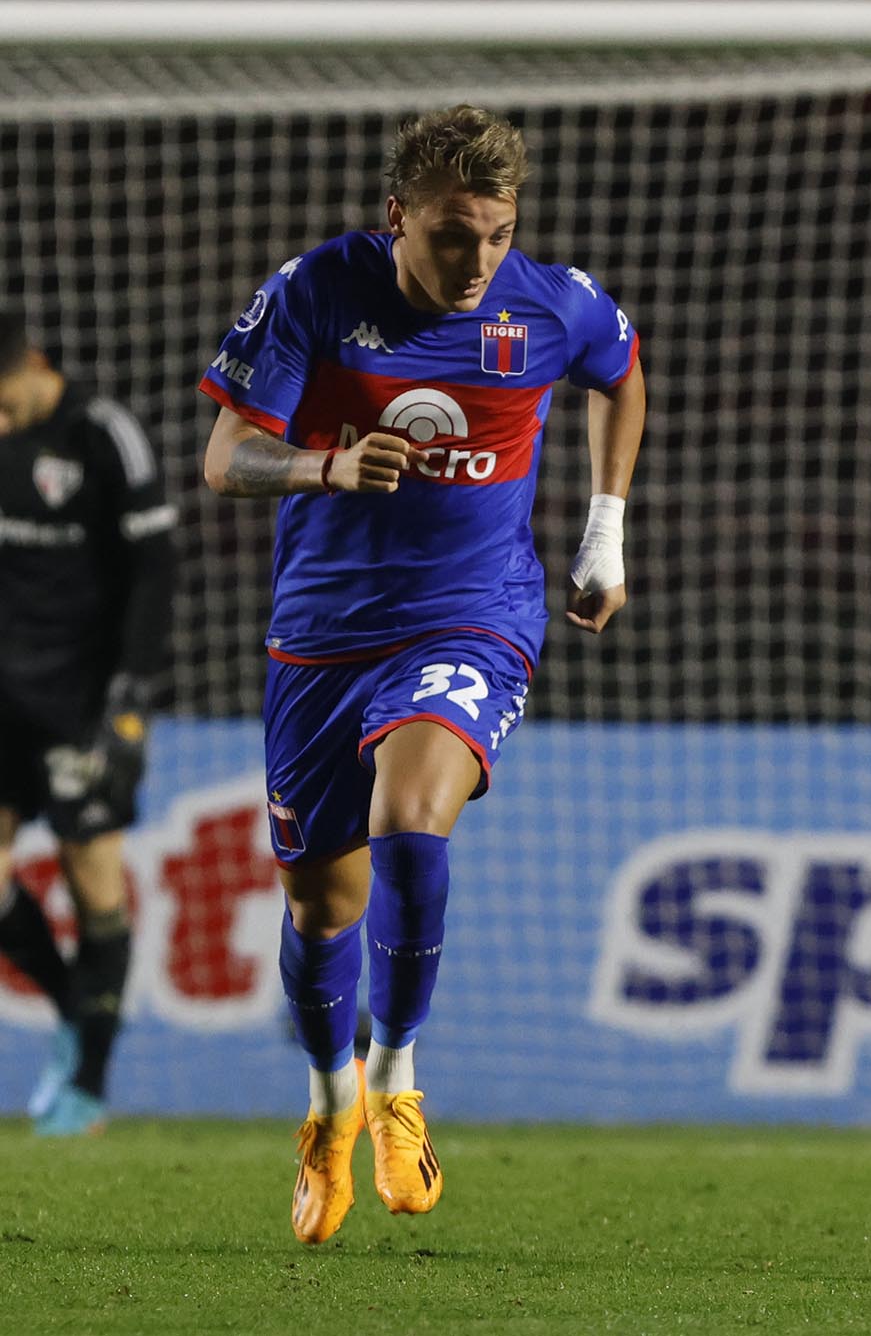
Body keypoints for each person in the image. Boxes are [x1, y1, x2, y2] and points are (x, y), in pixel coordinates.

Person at [198, 105, 644, 1244]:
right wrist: (327, 463)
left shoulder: (548, 304)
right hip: (321, 636)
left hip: (473, 619)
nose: (477, 259)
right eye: (453, 233)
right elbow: (224, 458)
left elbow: (622, 371)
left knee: (412, 816)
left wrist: (605, 533)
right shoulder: (315, 293)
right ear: (397, 216)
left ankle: (396, 1074)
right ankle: (327, 1104)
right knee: (318, 907)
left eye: (496, 233)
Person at [0, 312, 172, 1137]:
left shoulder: (103, 434)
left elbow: (154, 570)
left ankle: (88, 1088)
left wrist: (129, 698)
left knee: (92, 882)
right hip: (2, 697)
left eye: (4, 403)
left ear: (32, 364)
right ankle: (77, 1012)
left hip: (83, 699)